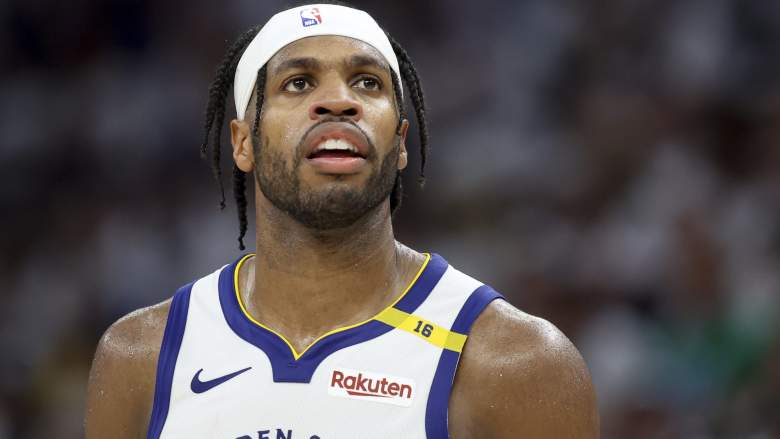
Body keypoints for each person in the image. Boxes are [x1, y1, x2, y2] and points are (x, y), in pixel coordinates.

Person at [84, 3, 599, 438]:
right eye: (299, 82)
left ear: (400, 143)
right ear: (243, 143)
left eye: (367, 82)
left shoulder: (515, 363)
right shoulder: (143, 357)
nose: (338, 101)